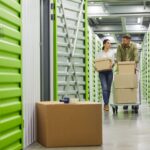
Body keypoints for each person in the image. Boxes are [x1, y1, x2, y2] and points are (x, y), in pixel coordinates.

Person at [116, 34, 138, 111]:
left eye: (124, 40)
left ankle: (132, 101)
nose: (123, 41)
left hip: (131, 68)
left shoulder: (134, 46)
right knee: (123, 86)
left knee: (132, 85)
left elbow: (136, 55)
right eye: (122, 40)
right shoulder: (119, 46)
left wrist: (135, 63)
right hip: (122, 68)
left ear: (129, 40)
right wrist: (119, 65)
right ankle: (125, 102)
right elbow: (118, 56)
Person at [97, 39, 114, 111]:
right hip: (102, 73)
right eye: (108, 43)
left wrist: (112, 65)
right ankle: (106, 104)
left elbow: (113, 62)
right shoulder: (99, 53)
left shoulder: (112, 53)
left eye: (110, 43)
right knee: (104, 88)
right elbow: (96, 62)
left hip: (109, 72)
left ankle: (106, 103)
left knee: (108, 89)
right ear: (104, 44)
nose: (109, 44)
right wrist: (97, 68)